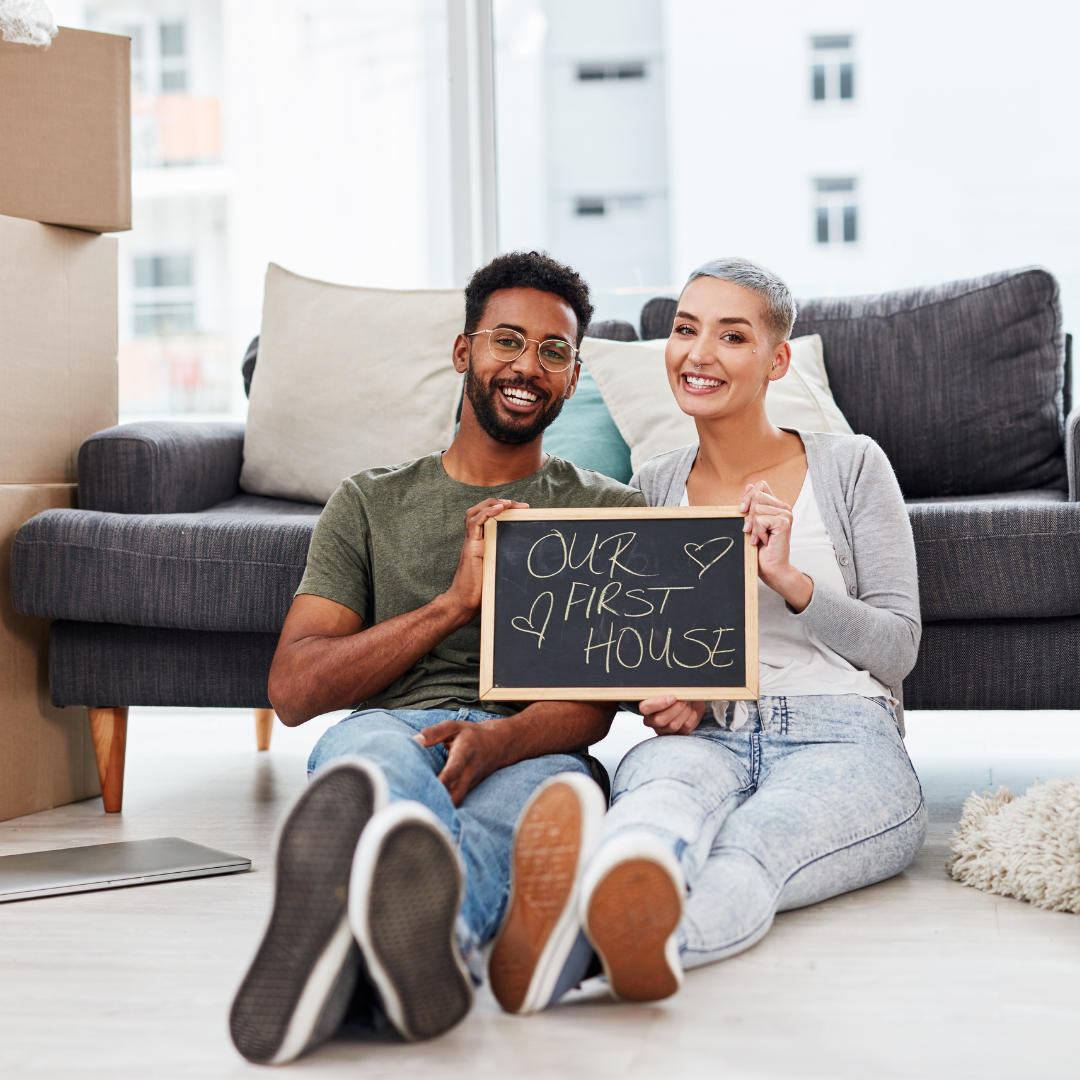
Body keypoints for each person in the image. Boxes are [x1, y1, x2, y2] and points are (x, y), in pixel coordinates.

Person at [229, 251, 644, 1065]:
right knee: (372, 772)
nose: (528, 366)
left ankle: (372, 951)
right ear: (464, 353)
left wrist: (499, 741)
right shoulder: (369, 502)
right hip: (394, 729)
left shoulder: (608, 508)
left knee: (544, 809)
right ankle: (421, 953)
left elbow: (597, 707)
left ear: (571, 376)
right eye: (507, 341)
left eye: (553, 352)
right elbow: (295, 688)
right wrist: (454, 603)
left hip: (533, 743)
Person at [563, 257, 927, 1001]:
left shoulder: (852, 465)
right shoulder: (654, 485)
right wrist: (660, 693)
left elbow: (898, 646)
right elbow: (646, 648)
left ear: (777, 360)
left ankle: (587, 959)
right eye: (685, 330)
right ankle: (568, 940)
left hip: (842, 733)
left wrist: (791, 583)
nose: (698, 354)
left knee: (749, 850)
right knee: (649, 819)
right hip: (707, 734)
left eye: (732, 337)